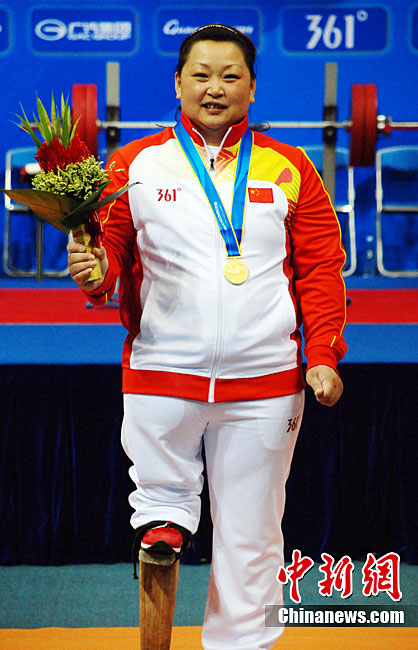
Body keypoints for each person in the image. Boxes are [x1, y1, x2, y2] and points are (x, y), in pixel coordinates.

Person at [68, 24, 347, 650]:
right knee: (161, 515)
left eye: (230, 76)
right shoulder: (135, 164)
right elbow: (111, 258)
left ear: (252, 87)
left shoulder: (292, 166)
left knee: (253, 538)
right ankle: (164, 524)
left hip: (266, 385)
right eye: (200, 75)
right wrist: (95, 271)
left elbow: (321, 267)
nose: (214, 88)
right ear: (177, 83)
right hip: (162, 376)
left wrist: (323, 353)